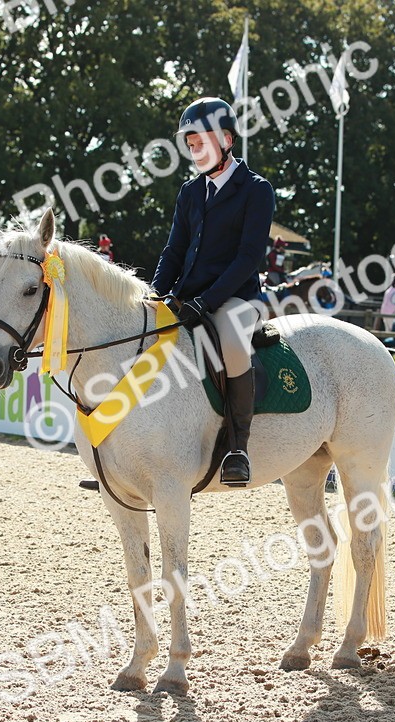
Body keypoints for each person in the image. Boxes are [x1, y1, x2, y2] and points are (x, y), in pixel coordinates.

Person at [150, 97, 275, 487]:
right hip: (189, 297)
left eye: (201, 142)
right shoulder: (190, 192)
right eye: (190, 145)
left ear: (226, 138)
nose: (195, 151)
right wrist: (154, 295)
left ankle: (238, 447)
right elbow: (173, 252)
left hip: (238, 298)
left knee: (232, 342)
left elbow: (248, 258)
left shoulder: (256, 190)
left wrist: (207, 301)